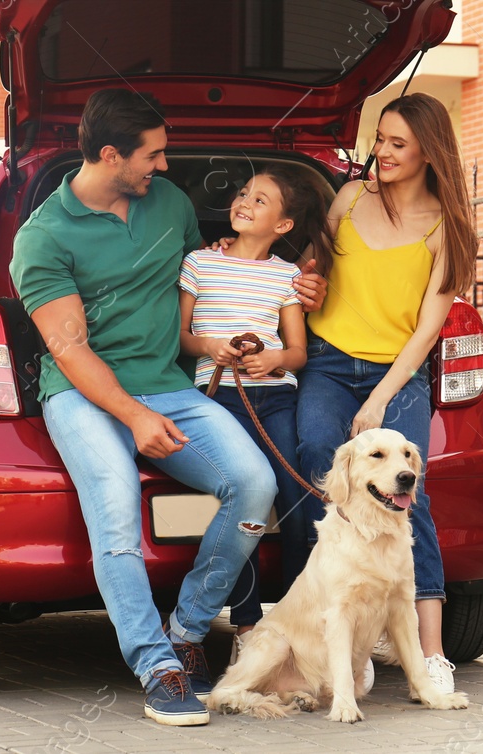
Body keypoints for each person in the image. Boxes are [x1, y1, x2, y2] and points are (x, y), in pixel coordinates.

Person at [8, 88, 324, 727]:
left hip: (169, 387)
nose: (163, 164)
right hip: (82, 398)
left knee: (255, 484)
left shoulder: (171, 204)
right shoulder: (42, 237)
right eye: (152, 154)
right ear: (108, 154)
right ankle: (158, 665)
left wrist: (306, 279)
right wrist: (134, 416)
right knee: (116, 512)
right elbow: (69, 351)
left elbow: (216, 276)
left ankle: (186, 627)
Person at [295, 92, 479, 695]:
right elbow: (309, 266)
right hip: (325, 361)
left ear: (430, 150)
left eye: (399, 144)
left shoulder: (443, 227)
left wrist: (379, 400)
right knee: (325, 471)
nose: (384, 153)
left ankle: (430, 655)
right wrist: (307, 284)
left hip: (395, 371)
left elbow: (428, 330)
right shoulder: (349, 198)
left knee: (408, 498)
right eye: (381, 140)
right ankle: (343, 635)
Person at [176, 166, 331, 658]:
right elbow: (180, 337)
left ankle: (301, 619)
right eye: (244, 193)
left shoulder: (287, 276)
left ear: (283, 226)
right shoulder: (200, 263)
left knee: (296, 501)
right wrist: (211, 347)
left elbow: (298, 353)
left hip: (277, 397)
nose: (245, 201)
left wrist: (274, 358)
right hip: (220, 397)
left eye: (261, 200)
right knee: (246, 504)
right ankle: (246, 626)